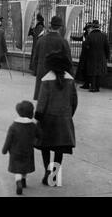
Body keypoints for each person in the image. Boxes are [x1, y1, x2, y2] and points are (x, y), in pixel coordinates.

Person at [34, 50, 77, 186]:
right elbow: (74, 101)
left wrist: (38, 116)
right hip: (64, 120)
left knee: (45, 147)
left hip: (47, 120)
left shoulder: (46, 80)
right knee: (59, 149)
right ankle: (54, 175)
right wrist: (69, 115)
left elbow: (42, 101)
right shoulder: (70, 80)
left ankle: (47, 171)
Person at [2, 101, 41, 195]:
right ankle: (23, 180)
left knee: (17, 168)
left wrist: (5, 150)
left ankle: (18, 181)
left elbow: (8, 140)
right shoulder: (33, 126)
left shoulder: (14, 126)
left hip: (15, 151)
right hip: (28, 151)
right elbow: (40, 135)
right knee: (25, 167)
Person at [32, 16, 71, 100]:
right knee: (54, 99)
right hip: (57, 74)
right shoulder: (63, 42)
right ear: (60, 27)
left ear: (50, 25)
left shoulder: (41, 40)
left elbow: (35, 58)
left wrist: (36, 70)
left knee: (42, 98)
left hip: (42, 72)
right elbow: (68, 61)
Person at [84, 20, 110, 92]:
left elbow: (86, 46)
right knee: (99, 72)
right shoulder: (104, 35)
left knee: (92, 72)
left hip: (91, 56)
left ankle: (92, 87)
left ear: (92, 27)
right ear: (99, 26)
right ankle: (97, 87)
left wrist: (88, 51)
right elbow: (107, 47)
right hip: (101, 56)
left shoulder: (90, 36)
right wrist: (107, 57)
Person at [71, 22, 92, 89]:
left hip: (89, 55)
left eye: (90, 28)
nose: (89, 29)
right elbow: (80, 38)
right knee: (84, 69)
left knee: (88, 69)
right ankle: (86, 83)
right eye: (88, 28)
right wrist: (73, 38)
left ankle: (88, 83)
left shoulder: (92, 35)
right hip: (84, 55)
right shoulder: (85, 34)